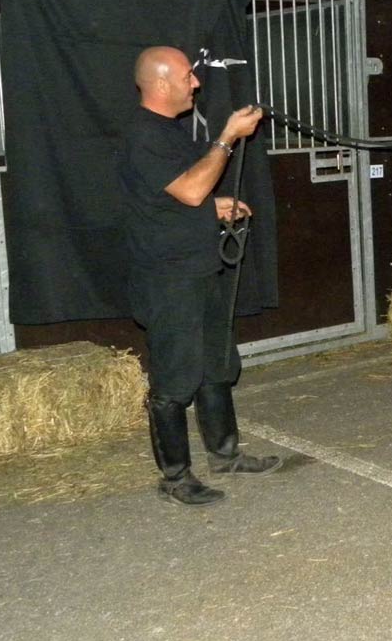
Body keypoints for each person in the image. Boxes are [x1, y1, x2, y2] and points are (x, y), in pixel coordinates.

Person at [120, 46, 279, 506]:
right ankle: (175, 477)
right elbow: (190, 189)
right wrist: (228, 134)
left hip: (197, 265)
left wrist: (216, 206)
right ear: (162, 82)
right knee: (175, 377)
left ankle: (225, 454)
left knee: (215, 364)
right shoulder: (142, 135)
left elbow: (173, 194)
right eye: (189, 76)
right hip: (167, 276)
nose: (196, 82)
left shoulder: (168, 133)